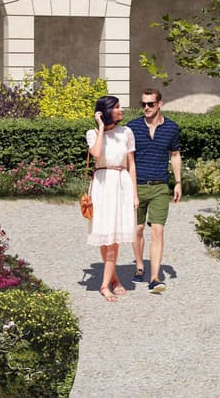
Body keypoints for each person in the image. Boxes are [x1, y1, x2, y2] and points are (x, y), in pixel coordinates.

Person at [128, 87, 183, 293]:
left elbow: (175, 155)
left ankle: (155, 277)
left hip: (160, 186)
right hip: (136, 186)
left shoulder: (171, 128)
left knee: (157, 230)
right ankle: (140, 265)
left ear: (160, 104)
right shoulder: (131, 127)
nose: (146, 108)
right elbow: (127, 159)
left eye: (150, 104)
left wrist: (178, 182)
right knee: (138, 229)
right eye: (143, 104)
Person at [86, 95, 136, 301]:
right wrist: (99, 126)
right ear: (106, 111)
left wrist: (135, 193)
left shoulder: (126, 132)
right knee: (104, 235)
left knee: (114, 238)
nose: (121, 110)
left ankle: (105, 285)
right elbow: (97, 154)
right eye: (117, 107)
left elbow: (132, 164)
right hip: (101, 184)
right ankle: (114, 279)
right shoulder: (92, 134)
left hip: (121, 182)